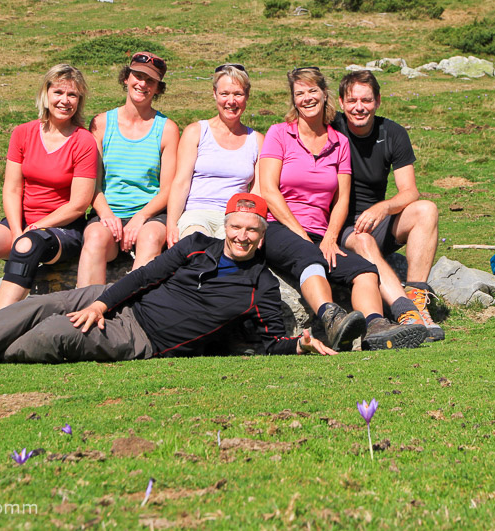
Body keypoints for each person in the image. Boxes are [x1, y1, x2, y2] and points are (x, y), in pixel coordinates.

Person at [0, 194, 335, 371]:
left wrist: (299, 344)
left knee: (46, 335)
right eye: (236, 227)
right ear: (226, 225)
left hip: (138, 335)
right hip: (116, 302)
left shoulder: (260, 287)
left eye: (252, 231)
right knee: (29, 309)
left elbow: (267, 340)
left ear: (262, 236)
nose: (241, 237)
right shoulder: (199, 244)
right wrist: (103, 303)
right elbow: (146, 274)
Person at [258, 67, 428, 352]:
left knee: (363, 270)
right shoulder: (278, 134)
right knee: (309, 257)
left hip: (320, 232)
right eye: (300, 93)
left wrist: (330, 236)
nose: (307, 98)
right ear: (293, 100)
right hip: (279, 226)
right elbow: (269, 191)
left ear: (325, 95)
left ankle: (376, 326)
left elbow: (341, 200)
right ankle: (331, 317)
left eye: (313, 91)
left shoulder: (338, 142)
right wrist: (301, 234)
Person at [0, 64, 98, 335]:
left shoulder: (83, 141)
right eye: (59, 92)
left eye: (72, 95)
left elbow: (79, 204)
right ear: (45, 94)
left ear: (80, 101)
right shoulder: (23, 133)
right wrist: (16, 229)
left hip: (63, 229)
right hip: (24, 223)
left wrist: (35, 229)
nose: (65, 101)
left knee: (27, 245)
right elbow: (12, 189)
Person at [332, 70, 443, 341]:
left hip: (378, 221)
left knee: (426, 209)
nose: (359, 107)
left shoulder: (392, 132)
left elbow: (409, 192)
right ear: (341, 102)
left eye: (366, 100)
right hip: (343, 226)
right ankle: (404, 312)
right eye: (352, 100)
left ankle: (417, 297)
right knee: (364, 240)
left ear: (378, 101)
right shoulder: (331, 127)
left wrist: (382, 208)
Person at [76, 52, 179, 286]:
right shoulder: (101, 123)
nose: (142, 84)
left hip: (151, 214)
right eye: (138, 76)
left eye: (150, 80)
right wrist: (106, 214)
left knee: (151, 237)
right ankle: (84, 308)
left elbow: (167, 189)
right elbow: (93, 182)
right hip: (109, 212)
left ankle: (133, 311)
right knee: (93, 237)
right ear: (126, 78)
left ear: (157, 88)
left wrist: (141, 217)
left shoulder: (167, 129)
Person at [166, 63, 264, 246]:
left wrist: (256, 226)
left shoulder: (257, 140)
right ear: (215, 94)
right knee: (195, 244)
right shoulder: (196, 132)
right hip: (196, 214)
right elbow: (181, 183)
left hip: (235, 218)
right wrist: (171, 225)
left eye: (238, 94)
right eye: (225, 94)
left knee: (228, 251)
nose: (231, 101)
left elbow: (257, 192)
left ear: (247, 96)